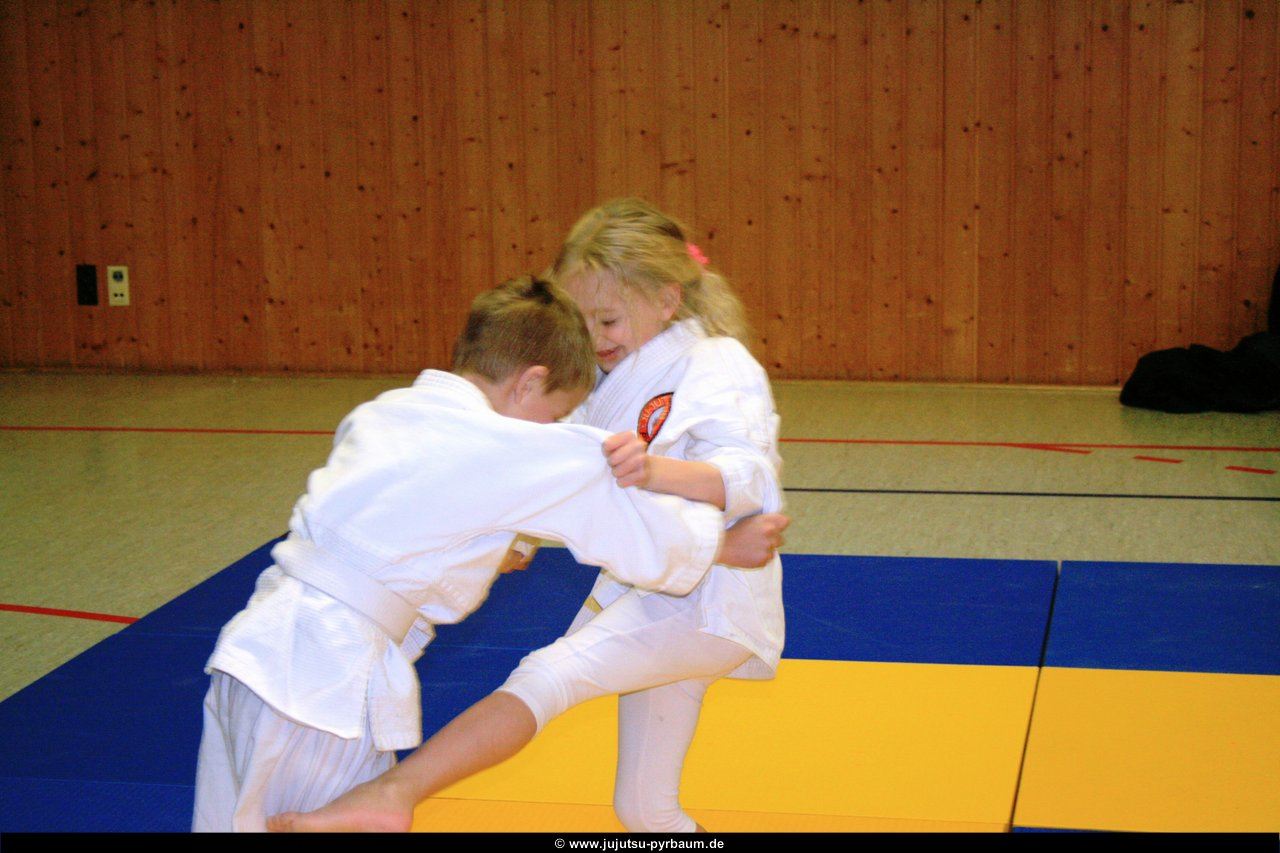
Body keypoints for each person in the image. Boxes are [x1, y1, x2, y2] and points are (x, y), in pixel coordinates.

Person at [192, 275, 787, 832]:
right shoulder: (509, 442)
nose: (549, 427)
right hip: (325, 687)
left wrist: (484, 548)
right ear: (528, 382)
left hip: (251, 654)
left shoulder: (382, 412)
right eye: (552, 414)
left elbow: (399, 517)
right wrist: (720, 545)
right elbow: (610, 514)